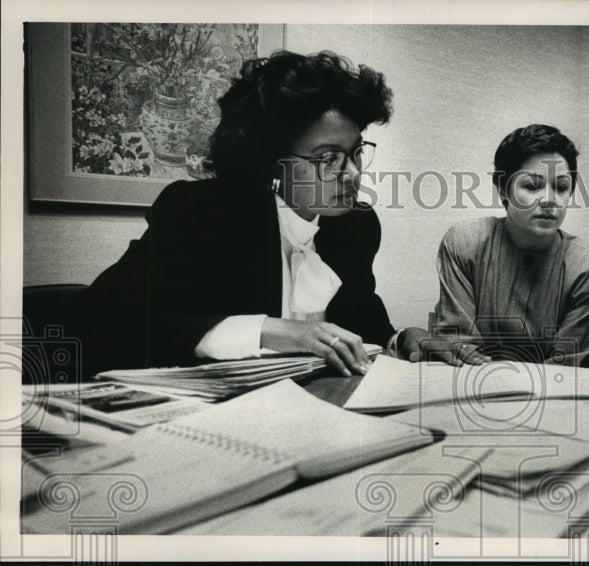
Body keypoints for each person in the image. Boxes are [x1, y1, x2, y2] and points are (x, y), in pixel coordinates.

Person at [68, 50, 423, 377]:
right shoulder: (202, 214)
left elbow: (362, 324)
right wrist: (266, 330)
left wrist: (404, 339)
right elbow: (98, 322)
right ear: (270, 161)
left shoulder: (354, 226)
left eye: (356, 152)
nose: (353, 173)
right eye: (327, 158)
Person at [429, 124, 589, 368]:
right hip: (474, 388)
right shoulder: (464, 244)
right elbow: (459, 350)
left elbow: (567, 370)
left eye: (560, 187)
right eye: (532, 186)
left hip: (557, 396)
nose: (549, 200)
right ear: (503, 189)